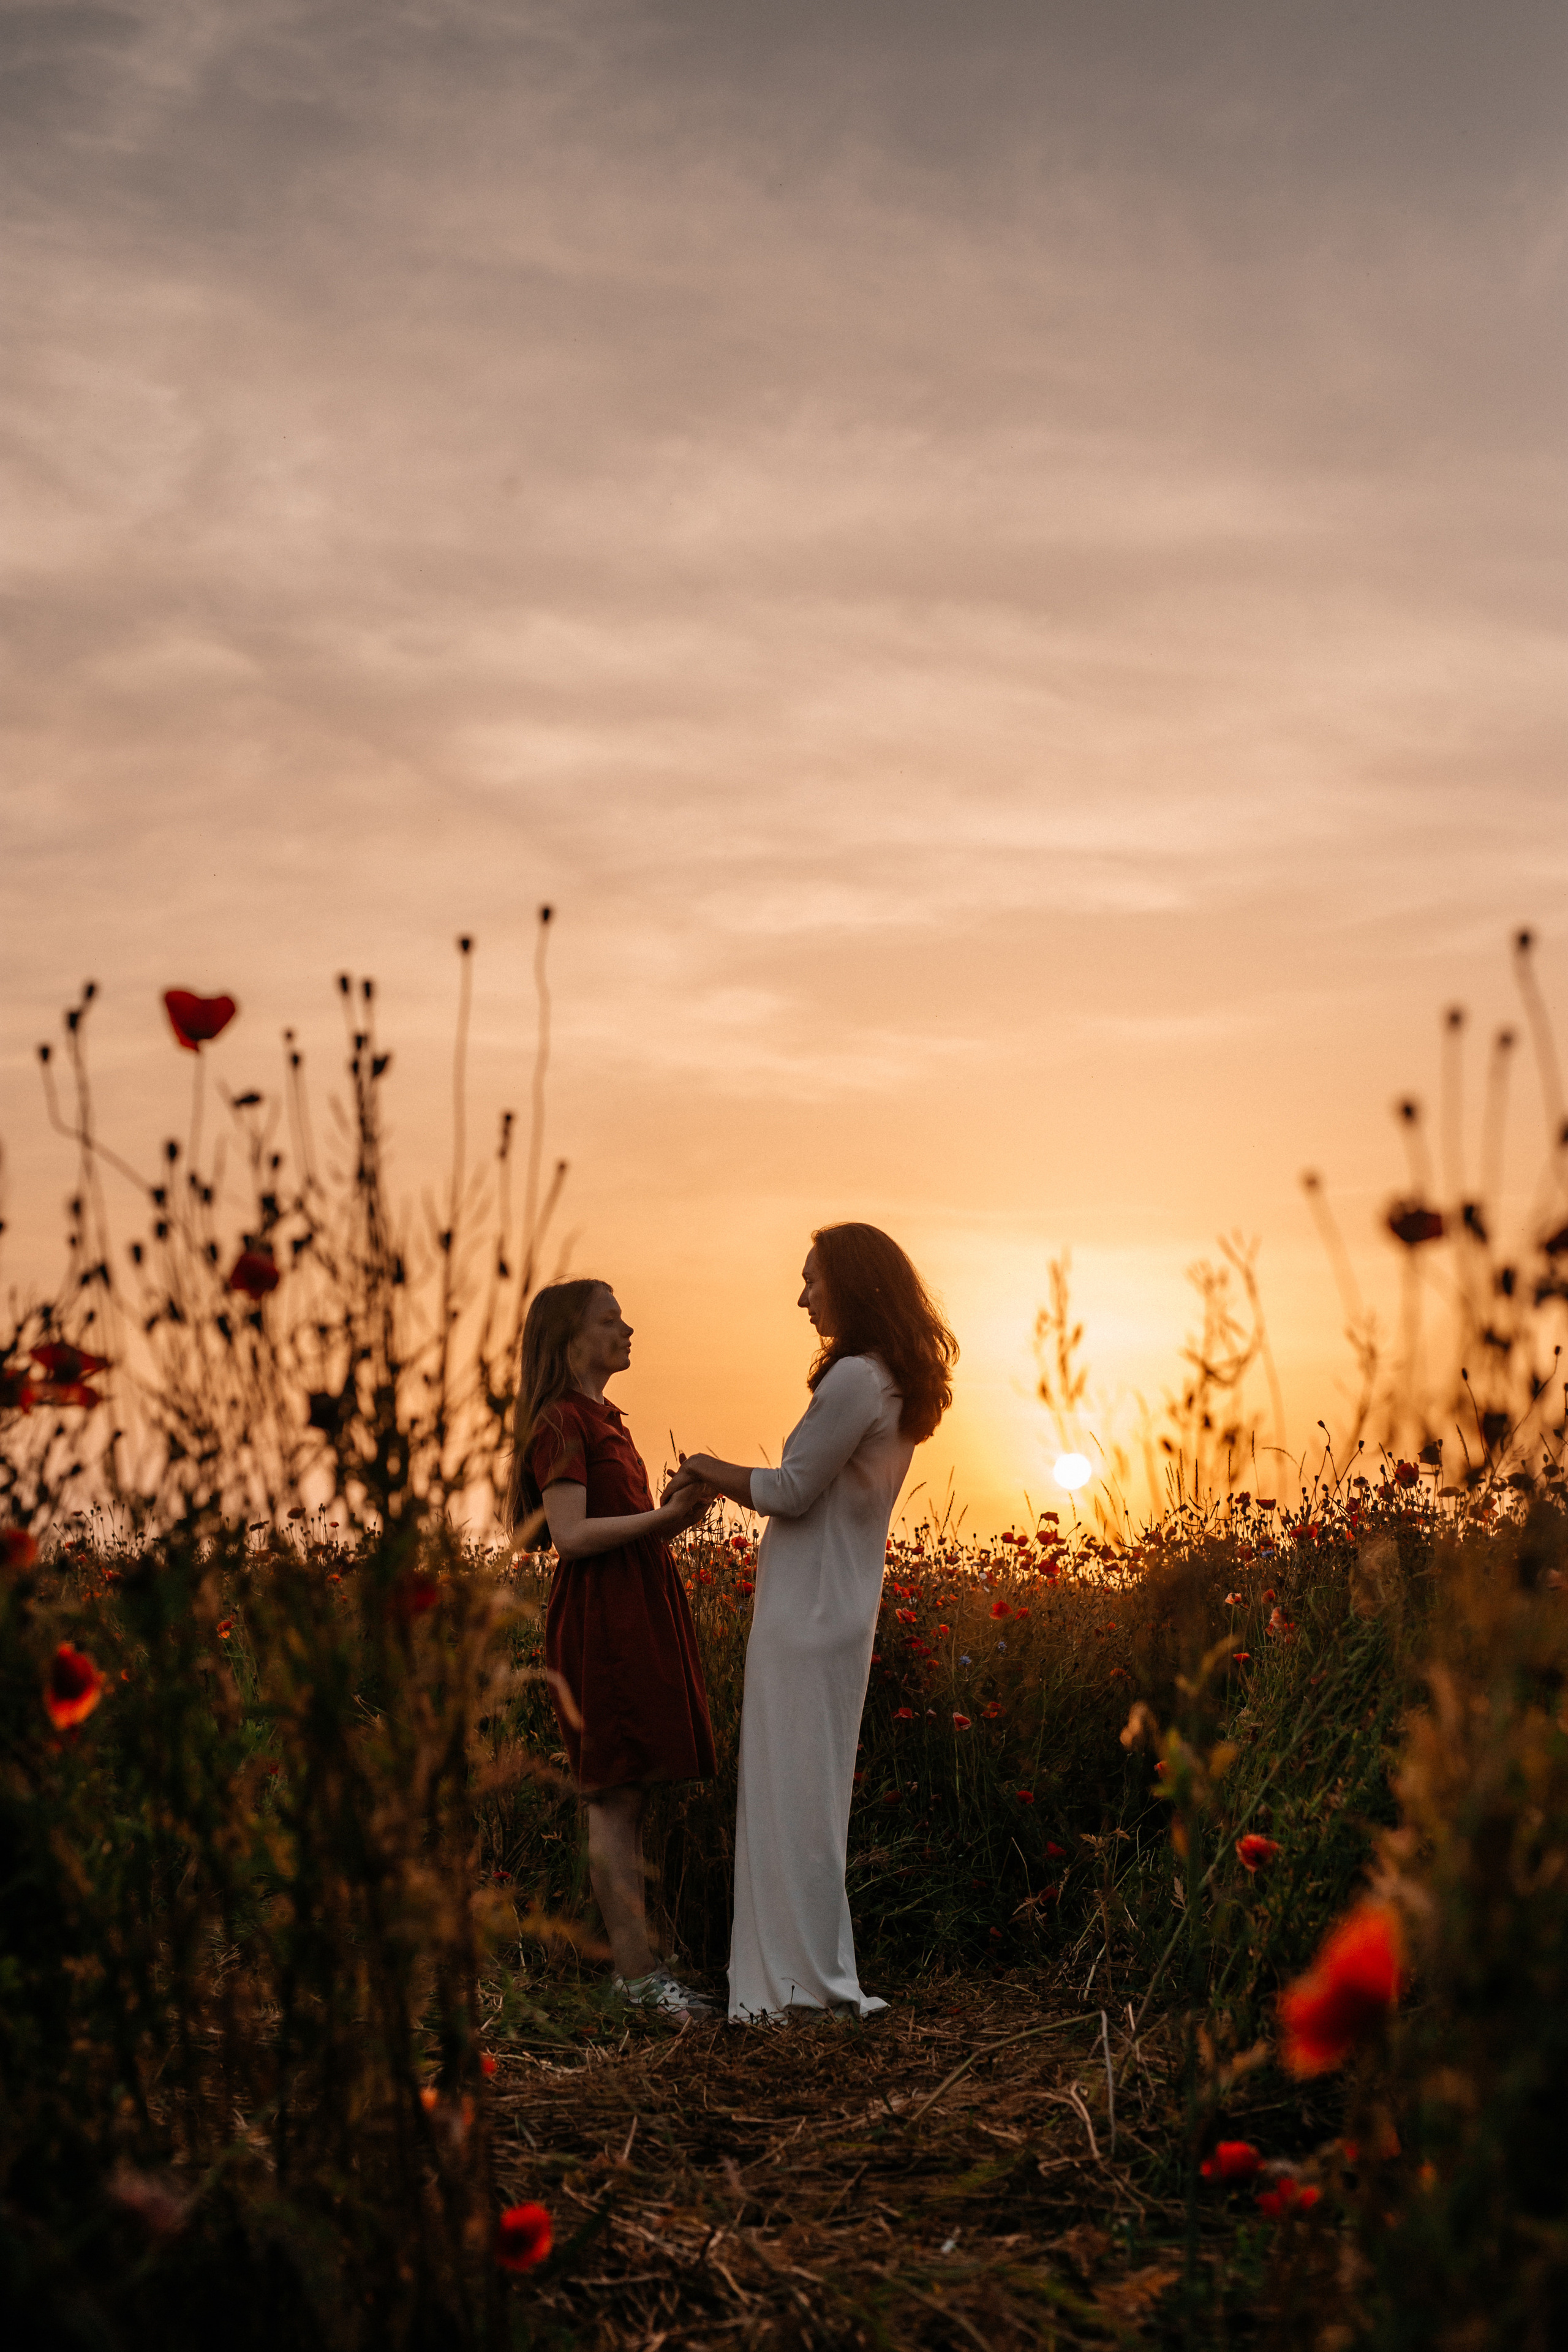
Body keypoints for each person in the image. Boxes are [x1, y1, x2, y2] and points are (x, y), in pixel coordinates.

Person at [681, 1223, 957, 2021]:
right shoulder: (889, 1384)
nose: (802, 1296)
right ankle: (792, 1982)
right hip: (834, 1612)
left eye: (812, 1280)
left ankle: (789, 1990)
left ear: (854, 1282)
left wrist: (706, 1467)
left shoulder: (856, 1382)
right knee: (804, 1804)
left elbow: (791, 1489)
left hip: (806, 1617)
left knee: (787, 1804)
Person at [507, 1278, 718, 2016]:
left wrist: (675, 1515)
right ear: (570, 1337)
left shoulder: (605, 1418)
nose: (628, 1329)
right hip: (602, 1617)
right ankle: (635, 1978)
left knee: (633, 1789)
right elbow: (569, 1537)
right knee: (611, 1795)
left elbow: (620, 1523)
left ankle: (643, 1965)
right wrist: (662, 1520)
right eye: (611, 1319)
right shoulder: (562, 1422)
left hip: (635, 1605)